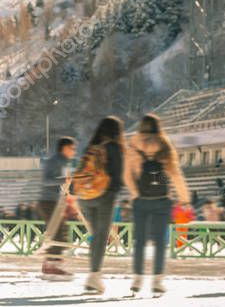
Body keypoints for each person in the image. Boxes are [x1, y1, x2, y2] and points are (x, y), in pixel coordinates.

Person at [124, 114, 190, 297]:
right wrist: (184, 198)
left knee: (140, 241)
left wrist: (137, 193)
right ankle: (157, 282)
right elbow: (175, 174)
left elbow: (127, 175)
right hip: (161, 200)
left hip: (141, 200)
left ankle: (137, 279)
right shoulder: (164, 144)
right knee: (160, 242)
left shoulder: (133, 145)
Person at [73, 116, 125, 295]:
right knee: (101, 238)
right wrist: (115, 193)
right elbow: (118, 176)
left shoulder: (91, 147)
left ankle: (93, 276)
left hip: (85, 196)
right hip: (104, 195)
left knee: (96, 237)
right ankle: (94, 277)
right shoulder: (114, 147)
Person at [39, 136, 77, 281]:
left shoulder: (63, 162)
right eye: (72, 148)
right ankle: (51, 265)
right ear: (64, 148)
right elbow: (45, 180)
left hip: (54, 202)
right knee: (58, 234)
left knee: (61, 232)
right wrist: (64, 180)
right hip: (48, 202)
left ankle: (51, 264)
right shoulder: (54, 161)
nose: (74, 151)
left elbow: (62, 184)